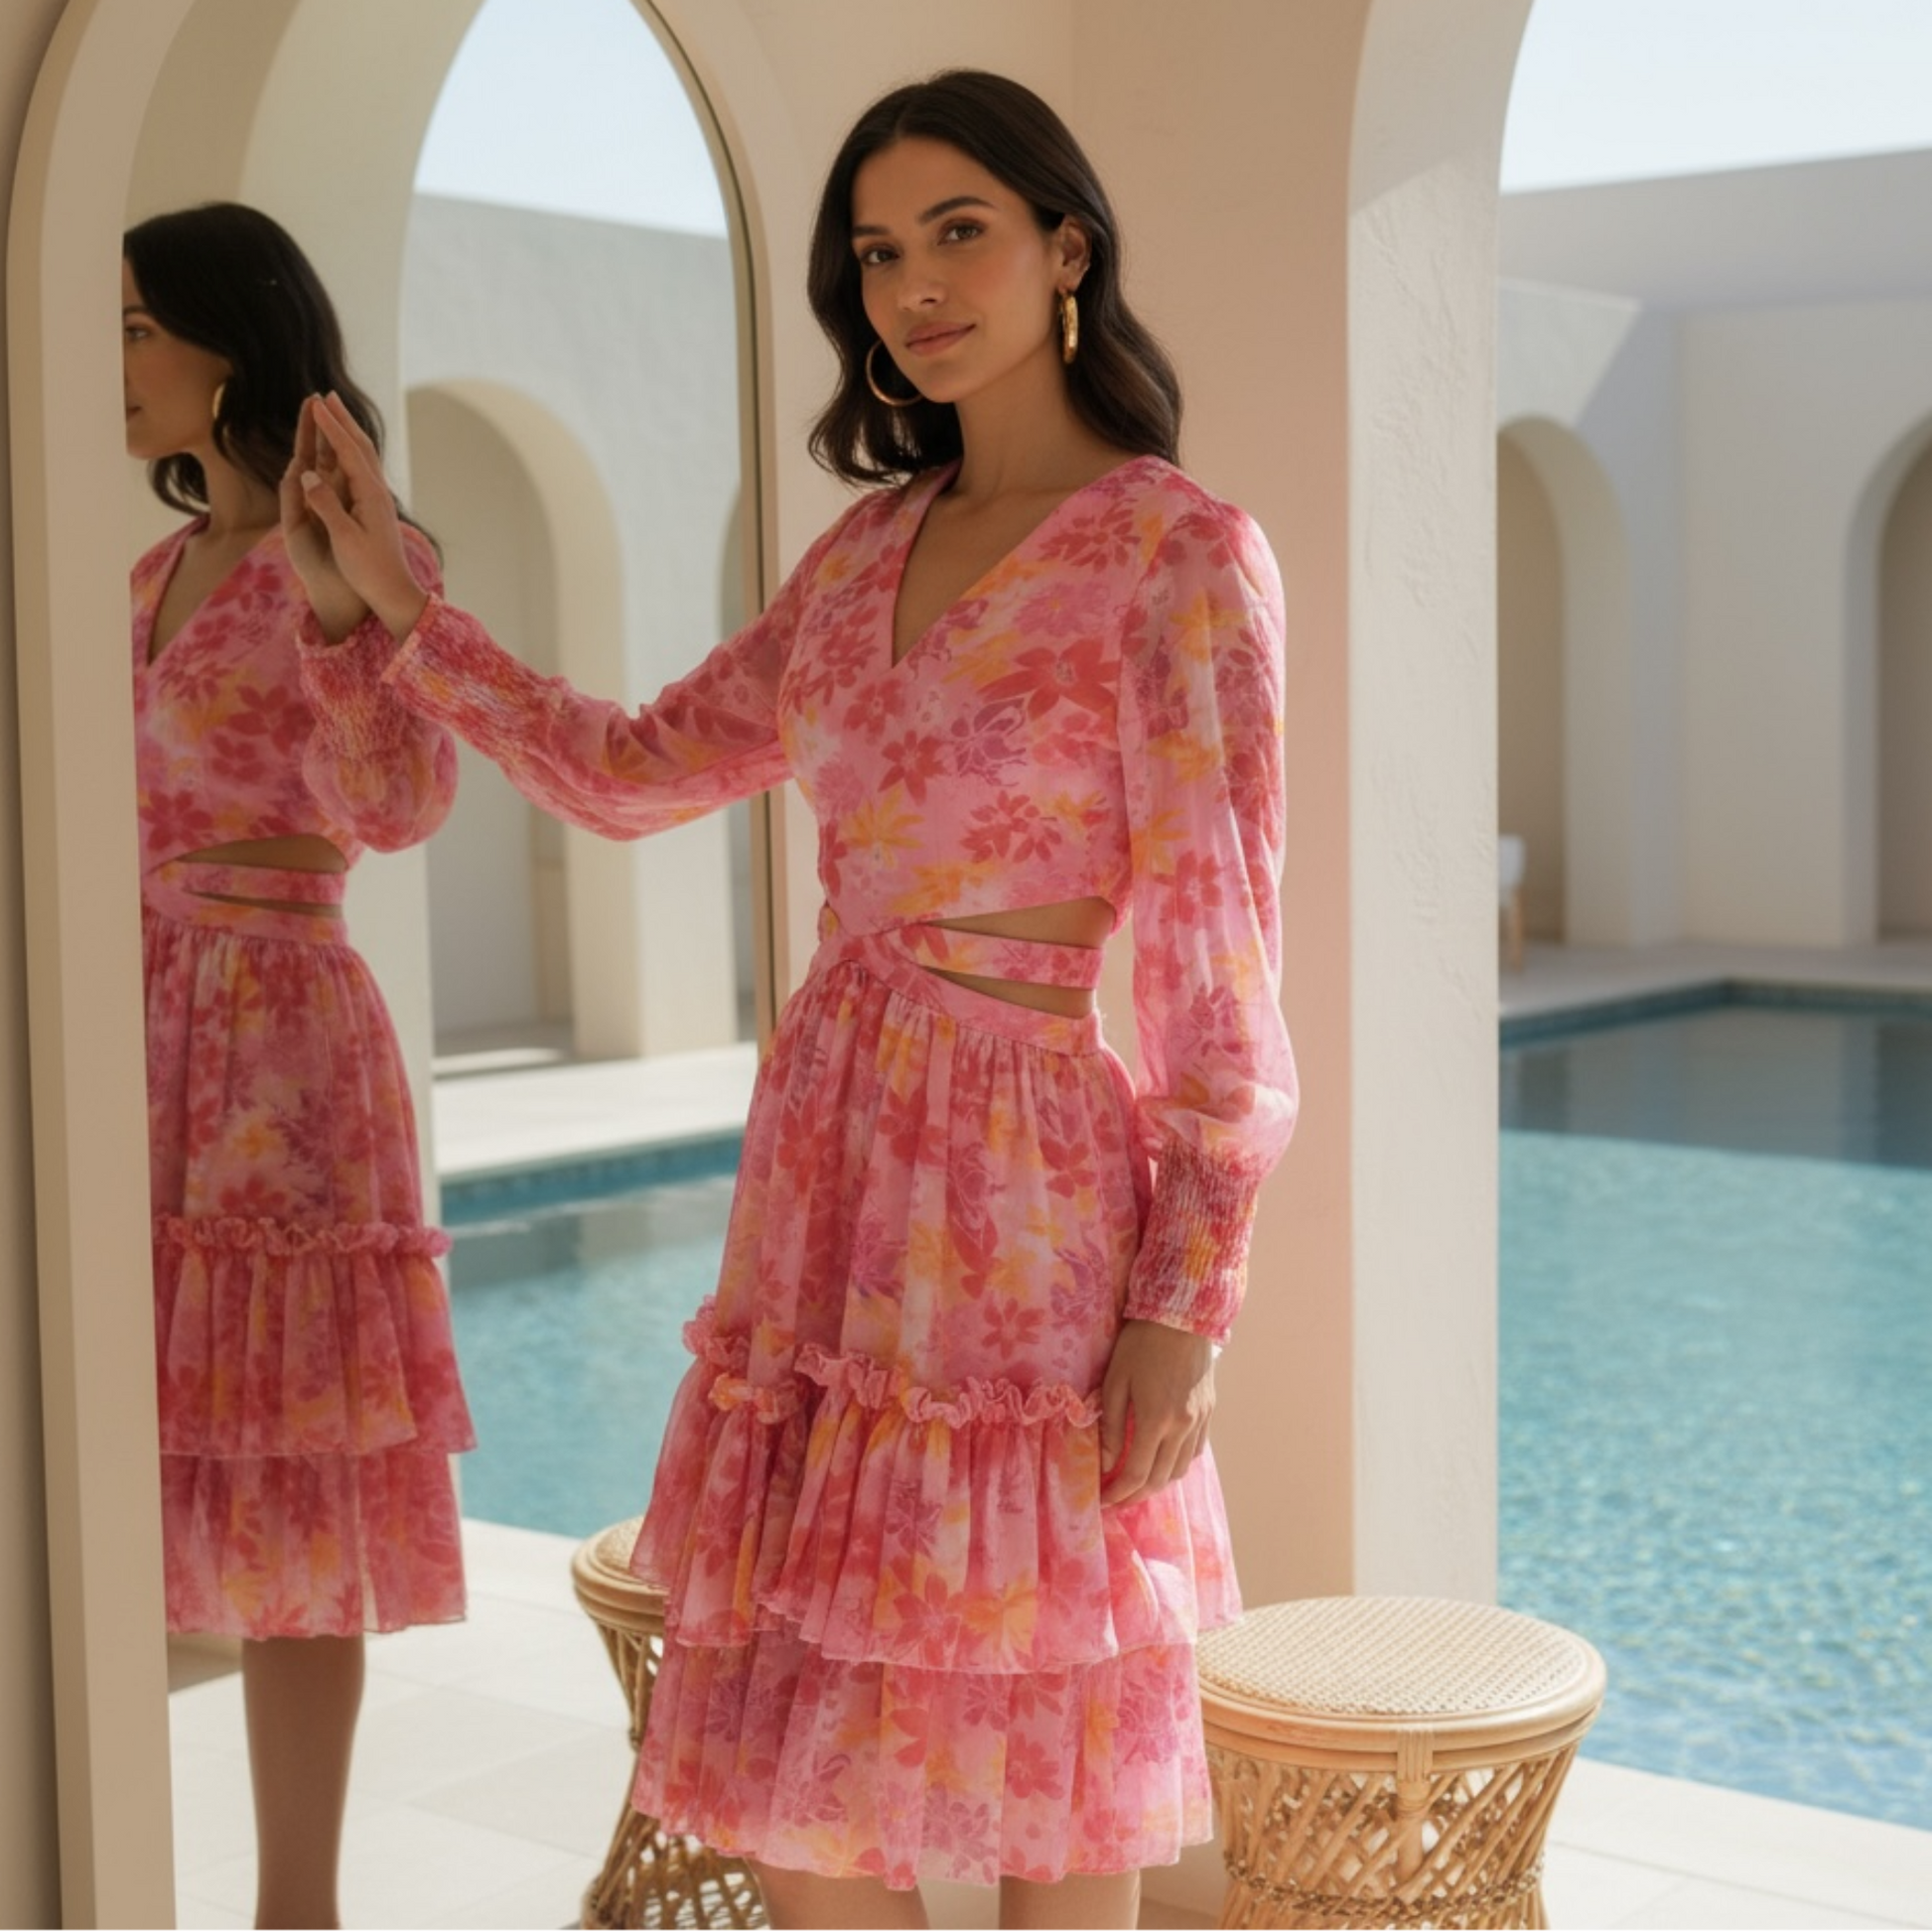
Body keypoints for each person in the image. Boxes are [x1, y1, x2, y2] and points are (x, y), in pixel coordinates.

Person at [285, 69, 1296, 1932]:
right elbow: (626, 765)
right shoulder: (855, 557)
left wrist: (1188, 1296)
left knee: (1045, 1754)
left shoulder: (1176, 554)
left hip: (1029, 1203)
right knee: (803, 1768)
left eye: (958, 233)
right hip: (826, 1183)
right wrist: (401, 613)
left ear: (1067, 247)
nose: (912, 285)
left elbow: (1226, 961)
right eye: (876, 252)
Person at [124, 202, 475, 1932]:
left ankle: (295, 1912)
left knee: (286, 1513)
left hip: (281, 1058)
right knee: (120, 1465)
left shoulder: (358, 548)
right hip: (129, 1039)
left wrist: (349, 611)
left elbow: (405, 807)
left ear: (225, 339)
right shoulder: (139, 573)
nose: (109, 362)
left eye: (132, 326)